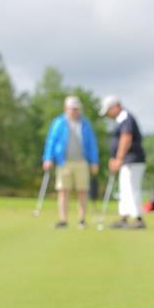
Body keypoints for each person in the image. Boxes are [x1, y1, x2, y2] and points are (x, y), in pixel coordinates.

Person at [42, 96, 99, 228]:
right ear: (66, 109)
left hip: (82, 161)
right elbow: (51, 141)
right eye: (72, 109)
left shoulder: (85, 123)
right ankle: (63, 220)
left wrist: (94, 161)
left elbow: (92, 144)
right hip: (64, 162)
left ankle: (82, 220)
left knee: (82, 191)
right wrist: (48, 158)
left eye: (77, 109)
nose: (75, 111)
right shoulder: (59, 122)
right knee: (63, 190)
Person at [99, 95, 146, 229]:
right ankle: (124, 218)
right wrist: (115, 158)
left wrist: (118, 158)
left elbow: (126, 138)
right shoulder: (121, 119)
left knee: (132, 188)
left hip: (133, 159)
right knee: (125, 189)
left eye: (108, 111)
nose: (108, 115)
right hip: (127, 160)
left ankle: (138, 219)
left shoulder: (126, 117)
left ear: (115, 106)